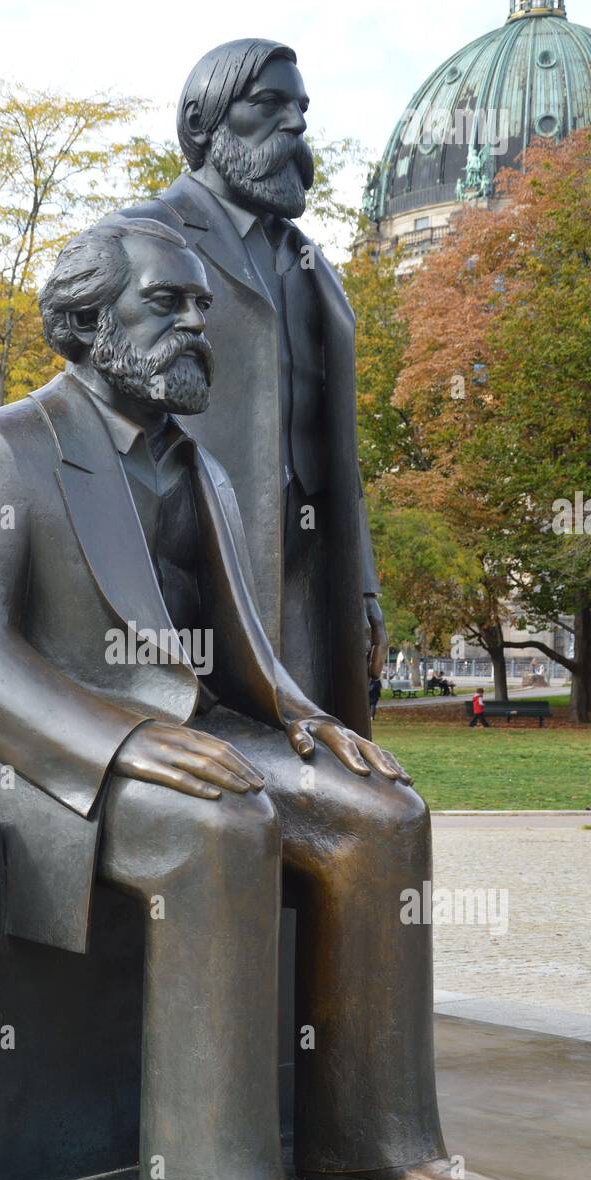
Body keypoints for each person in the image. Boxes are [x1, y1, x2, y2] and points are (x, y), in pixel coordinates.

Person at [0, 216, 508, 1180]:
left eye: (203, 307)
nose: (197, 324)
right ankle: (209, 1177)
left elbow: (239, 658)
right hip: (39, 752)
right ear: (91, 321)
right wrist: (124, 739)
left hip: (190, 731)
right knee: (220, 825)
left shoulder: (203, 469)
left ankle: (374, 1136)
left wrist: (304, 719)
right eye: (168, 304)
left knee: (382, 815)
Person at [120, 38, 387, 738]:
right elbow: (101, 401)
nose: (296, 125)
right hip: (193, 557)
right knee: (218, 768)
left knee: (316, 760)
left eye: (301, 108)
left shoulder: (309, 262)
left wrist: (361, 583)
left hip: (307, 566)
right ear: (202, 125)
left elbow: (340, 451)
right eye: (269, 105)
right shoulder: (140, 235)